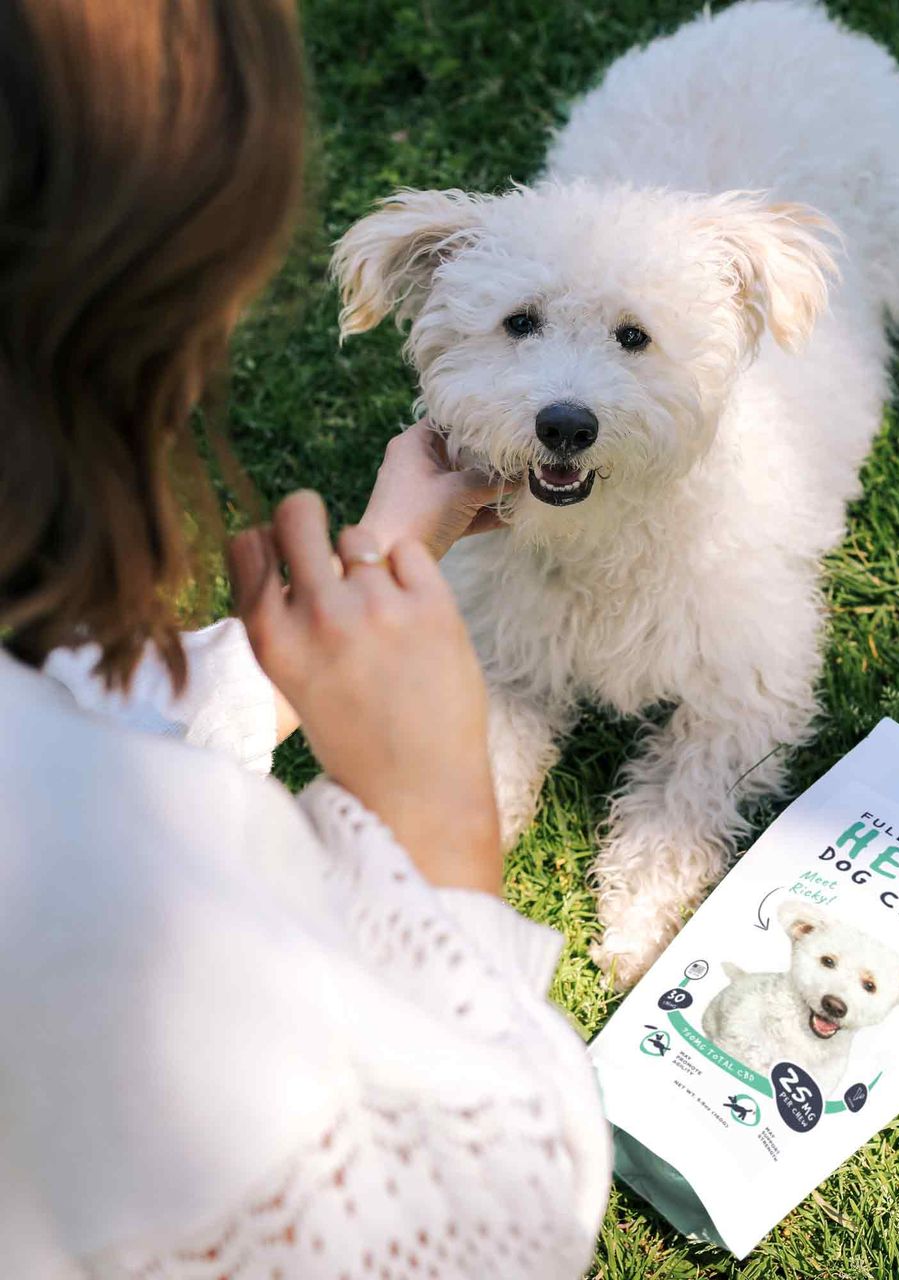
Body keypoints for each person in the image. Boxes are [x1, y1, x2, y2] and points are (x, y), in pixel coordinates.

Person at [0, 2, 610, 1277]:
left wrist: (376, 560)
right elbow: (487, 1230)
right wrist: (433, 815)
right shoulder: (101, 902)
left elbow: (75, 729)